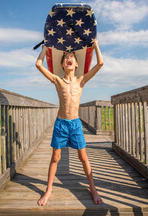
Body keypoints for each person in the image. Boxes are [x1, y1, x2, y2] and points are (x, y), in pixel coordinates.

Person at [36, 39, 104, 206]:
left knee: (83, 157)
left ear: (76, 64)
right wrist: (45, 49)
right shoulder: (57, 81)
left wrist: (95, 46)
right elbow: (38, 65)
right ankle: (49, 190)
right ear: (62, 65)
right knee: (55, 157)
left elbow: (100, 63)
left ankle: (93, 189)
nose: (69, 57)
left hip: (75, 124)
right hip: (61, 124)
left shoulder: (81, 80)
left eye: (72, 56)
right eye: (66, 56)